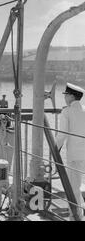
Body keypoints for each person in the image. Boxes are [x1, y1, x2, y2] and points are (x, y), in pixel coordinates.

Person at [57, 83, 85, 221]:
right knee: (78, 184)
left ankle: (76, 216)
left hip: (74, 155)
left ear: (71, 96)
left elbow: (62, 135)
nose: (65, 98)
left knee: (74, 186)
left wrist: (54, 149)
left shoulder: (67, 111)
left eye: (66, 95)